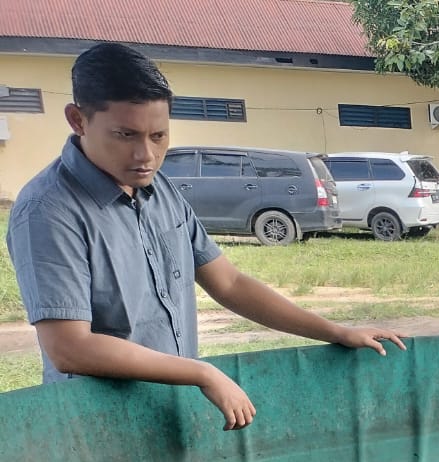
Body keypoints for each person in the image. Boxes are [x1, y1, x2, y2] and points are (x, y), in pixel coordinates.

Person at [6, 42, 406, 432]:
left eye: (158, 136)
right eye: (125, 136)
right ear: (78, 120)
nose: (145, 155)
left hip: (167, 413)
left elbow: (229, 283)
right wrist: (200, 372)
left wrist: (336, 331)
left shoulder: (159, 189)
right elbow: (69, 347)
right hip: (96, 426)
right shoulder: (48, 211)